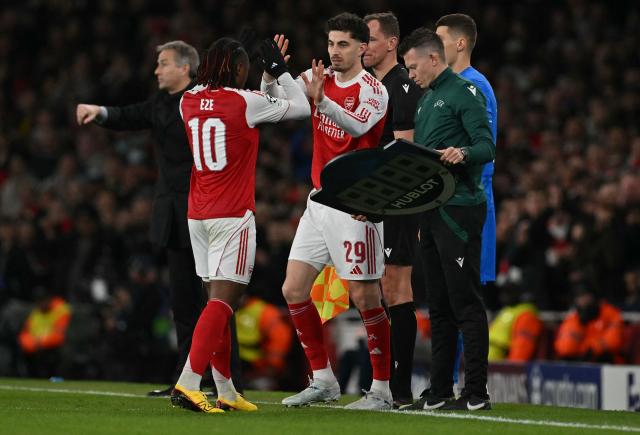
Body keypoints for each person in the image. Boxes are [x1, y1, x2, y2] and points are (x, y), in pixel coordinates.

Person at [76, 41, 241, 396]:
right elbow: (128, 116)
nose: (156, 70)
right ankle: (188, 379)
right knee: (183, 302)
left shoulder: (202, 103)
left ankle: (227, 380)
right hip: (173, 214)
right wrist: (98, 111)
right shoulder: (160, 105)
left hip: (208, 209)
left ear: (185, 68)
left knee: (216, 298)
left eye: (163, 63)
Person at [170, 37, 310, 413]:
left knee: (215, 304)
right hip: (232, 217)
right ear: (235, 69)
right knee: (223, 303)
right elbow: (301, 107)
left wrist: (262, 79)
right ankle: (188, 381)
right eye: (245, 68)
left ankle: (225, 389)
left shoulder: (187, 101)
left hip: (197, 215)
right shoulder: (244, 103)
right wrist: (278, 71)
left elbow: (231, 100)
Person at [261, 13, 392, 410]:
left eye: (343, 45)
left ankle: (383, 392)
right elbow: (279, 103)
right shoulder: (319, 77)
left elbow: (355, 126)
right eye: (331, 43)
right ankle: (323, 380)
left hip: (357, 205)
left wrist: (322, 101)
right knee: (293, 289)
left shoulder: (373, 90)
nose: (334, 52)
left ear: (362, 48)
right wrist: (271, 74)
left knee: (365, 296)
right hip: (319, 201)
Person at [398, 28, 495, 411]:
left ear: (433, 59)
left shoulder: (466, 93)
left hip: (460, 209)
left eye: (412, 66)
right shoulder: (427, 101)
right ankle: (440, 390)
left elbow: (487, 146)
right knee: (437, 305)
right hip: (432, 210)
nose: (410, 74)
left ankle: (477, 391)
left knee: (465, 302)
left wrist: (463, 152)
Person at [435, 12, 499, 391]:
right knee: (447, 296)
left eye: (440, 39)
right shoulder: (446, 89)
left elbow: (484, 150)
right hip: (446, 205)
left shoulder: (476, 87)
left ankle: (473, 383)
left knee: (466, 296)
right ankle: (450, 382)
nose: (434, 46)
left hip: (471, 205)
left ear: (460, 43)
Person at [363, 12, 423, 407]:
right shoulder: (372, 86)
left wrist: (380, 200)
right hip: (375, 199)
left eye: (369, 39)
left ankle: (398, 390)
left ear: (391, 43)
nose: (364, 46)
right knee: (377, 288)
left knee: (396, 287)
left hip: (398, 200)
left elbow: (406, 153)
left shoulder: (401, 86)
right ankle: (386, 387)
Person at [555, 282, 624, 363]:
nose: (583, 300)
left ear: (594, 296)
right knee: (566, 360)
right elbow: (564, 348)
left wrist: (592, 349)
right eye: (579, 297)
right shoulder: (573, 318)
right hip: (580, 358)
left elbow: (614, 341)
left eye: (586, 295)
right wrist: (579, 324)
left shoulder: (610, 313)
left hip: (606, 360)